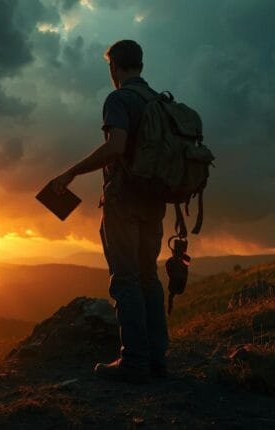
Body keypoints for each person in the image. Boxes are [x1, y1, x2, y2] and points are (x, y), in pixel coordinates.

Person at [49, 40, 168, 384]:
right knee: (148, 276)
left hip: (124, 200)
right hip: (154, 201)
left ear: (114, 67)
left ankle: (133, 361)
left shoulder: (119, 99)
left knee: (126, 278)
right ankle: (157, 359)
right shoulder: (158, 100)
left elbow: (115, 147)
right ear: (141, 65)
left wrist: (71, 172)